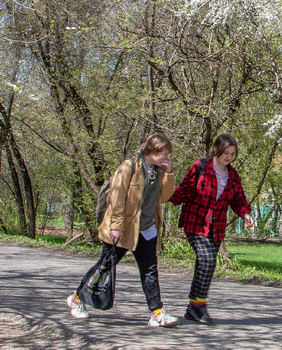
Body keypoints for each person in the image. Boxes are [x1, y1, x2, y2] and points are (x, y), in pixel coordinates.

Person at [66, 132, 180, 327]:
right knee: (105, 266)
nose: (166, 157)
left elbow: (164, 197)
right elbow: (117, 198)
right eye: (163, 153)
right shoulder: (129, 167)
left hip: (146, 229)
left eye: (167, 154)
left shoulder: (159, 171)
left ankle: (157, 312)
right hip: (123, 229)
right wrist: (116, 227)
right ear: (152, 150)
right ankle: (77, 300)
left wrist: (169, 174)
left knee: (150, 270)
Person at [168, 133, 251, 324]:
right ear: (216, 150)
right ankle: (199, 306)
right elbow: (185, 190)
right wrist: (165, 195)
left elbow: (238, 200)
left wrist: (245, 214)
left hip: (216, 228)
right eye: (226, 152)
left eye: (232, 154)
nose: (229, 157)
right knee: (206, 260)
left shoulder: (233, 175)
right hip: (195, 222)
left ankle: (193, 307)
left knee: (205, 265)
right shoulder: (201, 167)